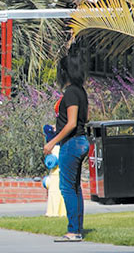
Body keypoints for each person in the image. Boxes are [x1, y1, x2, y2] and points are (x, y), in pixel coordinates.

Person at [44, 53, 89, 243]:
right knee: (75, 187)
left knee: (66, 188)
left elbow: (71, 123)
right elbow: (83, 119)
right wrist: (59, 127)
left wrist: (52, 142)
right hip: (81, 141)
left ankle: (73, 231)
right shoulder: (81, 91)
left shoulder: (70, 92)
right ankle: (77, 229)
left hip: (71, 143)